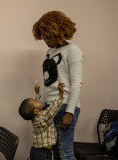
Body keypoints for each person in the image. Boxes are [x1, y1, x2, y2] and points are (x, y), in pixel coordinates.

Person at [32, 10, 84, 160]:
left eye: (49, 36)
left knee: (65, 152)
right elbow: (49, 82)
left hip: (65, 106)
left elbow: (76, 83)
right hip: (49, 106)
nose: (46, 40)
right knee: (50, 150)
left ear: (59, 31)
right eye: (44, 37)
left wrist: (69, 112)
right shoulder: (49, 52)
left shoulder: (73, 50)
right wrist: (42, 103)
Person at [19, 82, 65, 160]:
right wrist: (60, 94)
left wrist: (37, 93)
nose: (38, 101)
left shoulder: (37, 117)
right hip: (42, 154)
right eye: (36, 101)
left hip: (37, 151)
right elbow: (52, 109)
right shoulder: (43, 118)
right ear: (36, 111)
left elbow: (35, 106)